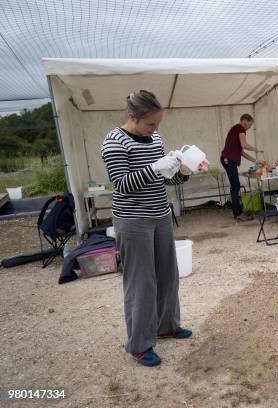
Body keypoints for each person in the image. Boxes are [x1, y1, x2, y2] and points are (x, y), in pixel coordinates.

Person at [101, 90, 192, 367]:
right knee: (141, 283)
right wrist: (155, 167)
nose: (155, 129)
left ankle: (167, 326)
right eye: (150, 124)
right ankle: (139, 344)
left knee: (168, 275)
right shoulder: (113, 142)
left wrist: (184, 172)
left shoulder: (155, 138)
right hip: (133, 221)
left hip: (160, 215)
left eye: (158, 124)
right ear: (132, 117)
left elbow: (164, 179)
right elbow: (123, 185)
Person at [220, 113, 261, 221]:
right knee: (235, 186)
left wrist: (255, 160)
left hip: (227, 159)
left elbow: (241, 152)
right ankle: (238, 213)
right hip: (228, 160)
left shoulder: (236, 130)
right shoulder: (240, 128)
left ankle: (238, 212)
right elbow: (244, 145)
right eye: (249, 125)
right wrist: (255, 149)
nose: (250, 127)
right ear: (244, 122)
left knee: (235, 186)